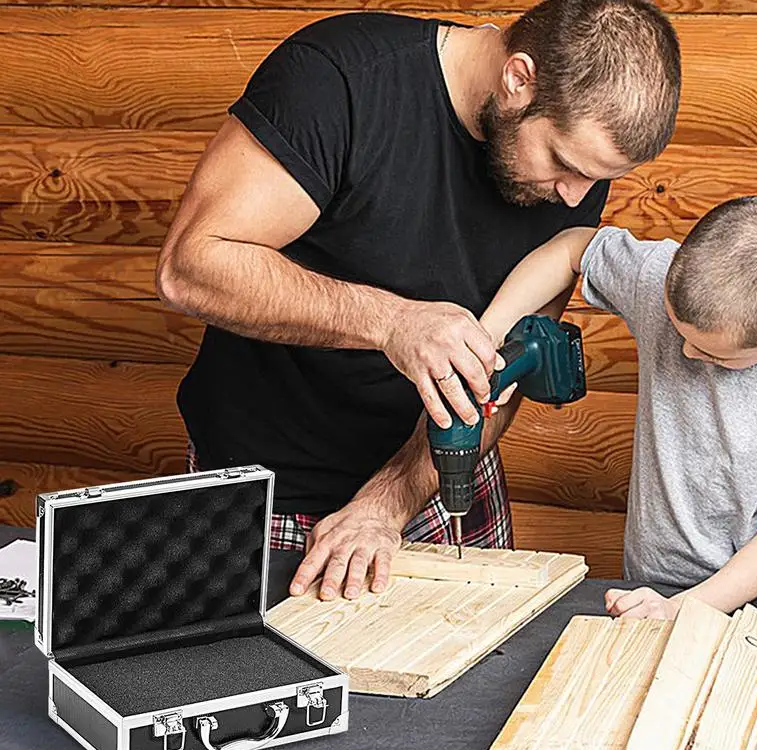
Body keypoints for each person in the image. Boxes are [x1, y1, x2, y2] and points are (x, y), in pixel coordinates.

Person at [155, 0, 681, 601]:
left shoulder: (572, 164)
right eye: (564, 164)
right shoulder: (339, 79)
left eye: (595, 179)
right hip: (267, 481)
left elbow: (501, 367)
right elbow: (190, 266)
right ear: (519, 79)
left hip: (437, 477)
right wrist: (393, 322)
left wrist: (390, 499)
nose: (574, 198)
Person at [480, 196, 757, 618]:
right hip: (649, 583)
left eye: (715, 355)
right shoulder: (657, 278)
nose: (686, 352)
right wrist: (488, 339)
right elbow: (573, 247)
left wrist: (683, 609)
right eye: (676, 328)